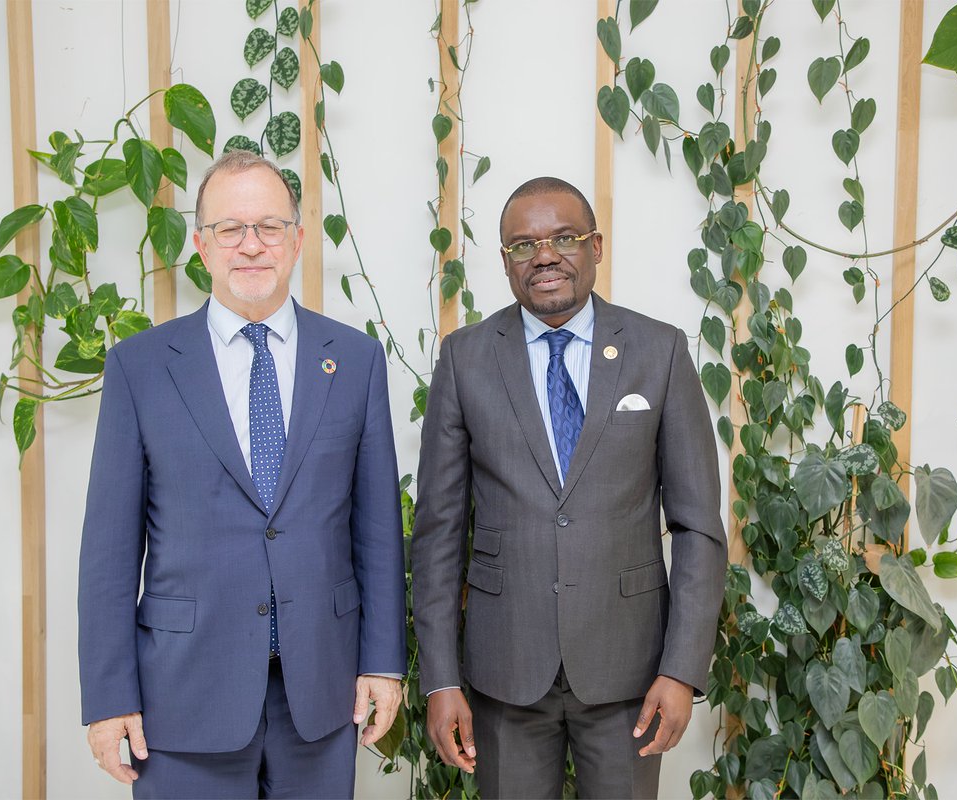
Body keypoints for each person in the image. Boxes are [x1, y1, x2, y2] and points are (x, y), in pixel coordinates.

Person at [78, 150, 406, 798]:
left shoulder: (357, 361)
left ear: (297, 240)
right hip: (182, 697)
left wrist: (384, 664)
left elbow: (377, 533)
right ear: (201, 244)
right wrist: (107, 696)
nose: (250, 245)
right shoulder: (140, 369)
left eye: (269, 227)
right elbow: (109, 551)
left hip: (321, 692)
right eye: (230, 229)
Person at [411, 177, 727, 798]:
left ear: (597, 247)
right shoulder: (465, 359)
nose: (545, 255)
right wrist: (440, 679)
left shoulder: (658, 352)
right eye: (524, 245)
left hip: (630, 672)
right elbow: (439, 533)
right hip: (506, 674)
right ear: (505, 262)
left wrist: (682, 670)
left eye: (564, 238)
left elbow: (698, 528)